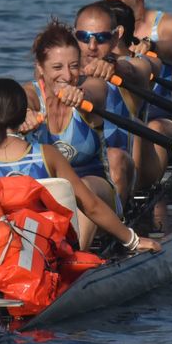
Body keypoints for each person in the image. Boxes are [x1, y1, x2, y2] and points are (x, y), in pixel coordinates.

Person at [0, 78, 159, 254]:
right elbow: (91, 205)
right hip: (47, 253)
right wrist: (133, 240)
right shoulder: (47, 154)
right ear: (21, 115)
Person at [22, 20, 121, 250]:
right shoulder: (30, 94)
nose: (67, 75)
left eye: (74, 66)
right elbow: (19, 98)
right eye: (57, 68)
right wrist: (22, 113)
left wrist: (81, 95)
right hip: (46, 199)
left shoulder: (93, 87)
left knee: (81, 187)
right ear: (40, 68)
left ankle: (75, 256)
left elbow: (95, 93)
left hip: (97, 197)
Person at [99, 0, 172, 189]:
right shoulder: (97, 28)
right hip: (115, 115)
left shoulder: (169, 24)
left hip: (160, 117)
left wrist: (152, 47)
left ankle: (140, 191)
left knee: (150, 129)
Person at [71, 1, 138, 207]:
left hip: (117, 169)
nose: (92, 47)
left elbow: (135, 69)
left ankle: (117, 222)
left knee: (114, 156)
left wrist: (114, 66)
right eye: (84, 37)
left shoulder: (127, 67)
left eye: (101, 38)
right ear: (74, 36)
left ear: (116, 36)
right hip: (71, 169)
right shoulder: (60, 73)